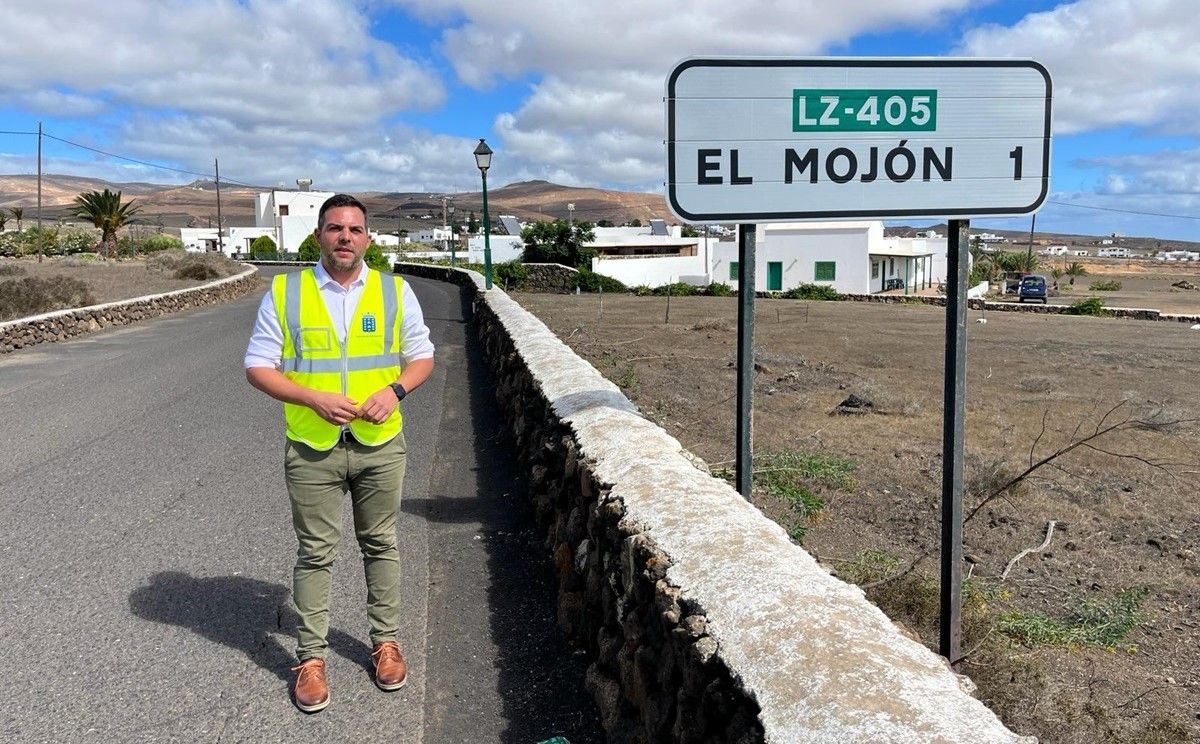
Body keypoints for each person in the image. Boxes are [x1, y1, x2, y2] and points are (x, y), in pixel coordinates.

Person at [244, 194, 434, 713]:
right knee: (315, 553)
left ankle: (385, 643)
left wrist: (394, 392)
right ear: (318, 236)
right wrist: (312, 397)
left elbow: (422, 357)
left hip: (380, 444)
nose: (344, 237)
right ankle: (309, 658)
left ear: (368, 238)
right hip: (313, 448)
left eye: (354, 229)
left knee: (381, 543)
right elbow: (258, 365)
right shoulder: (285, 292)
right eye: (334, 228)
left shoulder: (395, 291)